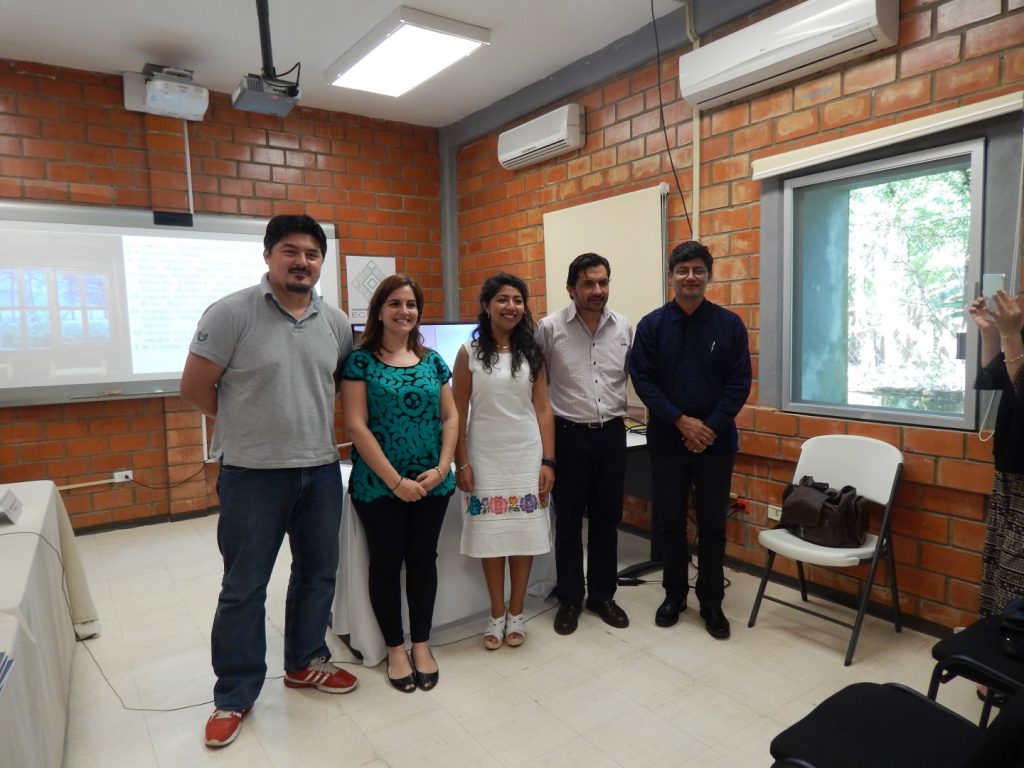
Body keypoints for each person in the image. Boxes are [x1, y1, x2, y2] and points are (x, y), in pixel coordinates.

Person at [180, 214, 356, 749]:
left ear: (321, 262)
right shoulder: (232, 313)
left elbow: (334, 387)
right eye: (290, 251)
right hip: (251, 475)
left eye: (312, 253)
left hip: (320, 469)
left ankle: (304, 662)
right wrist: (247, 425)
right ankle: (235, 693)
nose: (302, 261)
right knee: (244, 586)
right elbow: (194, 388)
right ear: (268, 256)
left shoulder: (336, 322)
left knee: (317, 575)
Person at [341, 274, 458, 693]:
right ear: (378, 310)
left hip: (432, 485)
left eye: (411, 304)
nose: (404, 311)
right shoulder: (360, 361)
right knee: (387, 565)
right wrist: (395, 482)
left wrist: (442, 468)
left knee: (424, 562)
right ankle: (394, 648)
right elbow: (356, 425)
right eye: (394, 303)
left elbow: (450, 416)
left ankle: (421, 645)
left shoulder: (433, 362)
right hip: (379, 488)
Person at [629, 240, 751, 640]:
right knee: (670, 522)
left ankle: (711, 601)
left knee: (713, 524)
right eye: (682, 270)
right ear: (671, 276)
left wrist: (707, 428)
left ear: (708, 276)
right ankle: (674, 595)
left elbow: (739, 383)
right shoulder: (651, 326)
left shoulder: (729, 325)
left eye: (698, 270)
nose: (690, 277)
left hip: (716, 443)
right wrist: (682, 422)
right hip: (668, 441)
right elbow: (643, 380)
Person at [453, 273, 555, 649]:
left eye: (517, 300)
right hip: (484, 457)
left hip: (525, 456)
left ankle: (517, 612)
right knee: (491, 538)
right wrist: (462, 462)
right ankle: (496, 614)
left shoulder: (533, 353)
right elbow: (457, 412)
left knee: (523, 535)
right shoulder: (469, 352)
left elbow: (543, 409)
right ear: (486, 306)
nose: (511, 306)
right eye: (502, 299)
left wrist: (548, 461)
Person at [535, 253, 632, 635]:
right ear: (570, 288)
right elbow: (537, 387)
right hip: (569, 435)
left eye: (603, 282)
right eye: (588, 283)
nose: (597, 290)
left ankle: (603, 596)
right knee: (569, 522)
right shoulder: (549, 328)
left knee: (607, 520)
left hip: (611, 434)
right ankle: (571, 599)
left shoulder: (623, 327)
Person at [969, 289, 1024, 620]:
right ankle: (998, 635)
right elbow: (996, 378)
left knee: (1017, 574)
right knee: (1001, 565)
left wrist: (1010, 334)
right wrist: (990, 332)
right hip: (1010, 462)